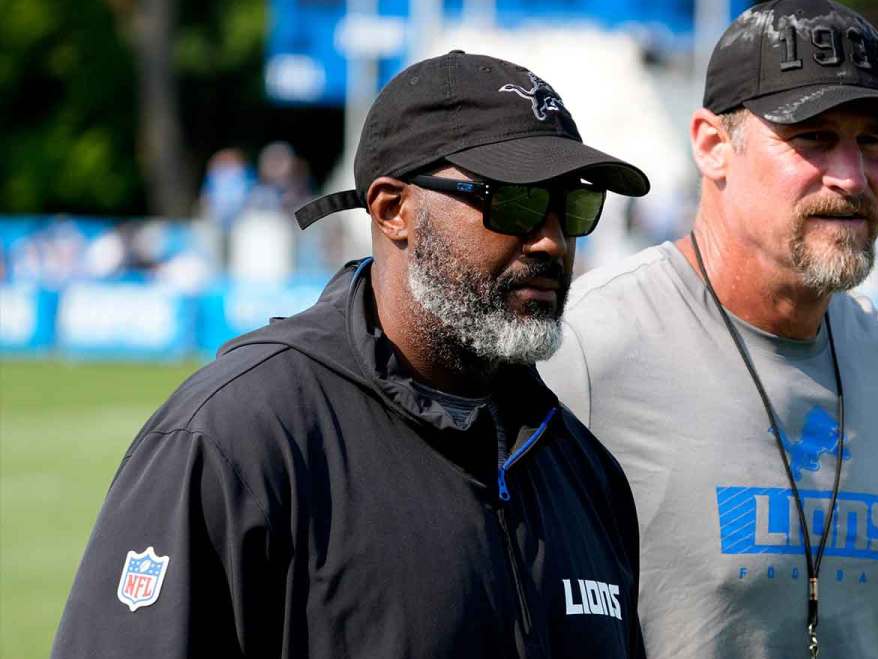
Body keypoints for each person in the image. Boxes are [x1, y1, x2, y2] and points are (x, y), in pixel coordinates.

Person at [53, 51, 650, 658]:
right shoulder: (238, 438)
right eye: (515, 202)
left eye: (572, 207)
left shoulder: (582, 468)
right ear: (394, 210)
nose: (551, 240)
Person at [539, 0, 878, 658]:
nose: (852, 177)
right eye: (813, 139)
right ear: (713, 146)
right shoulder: (587, 347)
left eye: (874, 143)